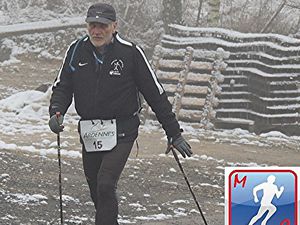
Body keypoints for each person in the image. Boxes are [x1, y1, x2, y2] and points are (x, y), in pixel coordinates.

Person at [48, 3, 192, 225]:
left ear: (114, 26)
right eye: (92, 25)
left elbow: (155, 94)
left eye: (102, 26)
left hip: (122, 129)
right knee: (97, 188)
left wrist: (174, 133)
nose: (96, 31)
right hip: (90, 130)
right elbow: (63, 86)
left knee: (105, 183)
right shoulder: (76, 50)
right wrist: (56, 112)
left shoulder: (130, 52)